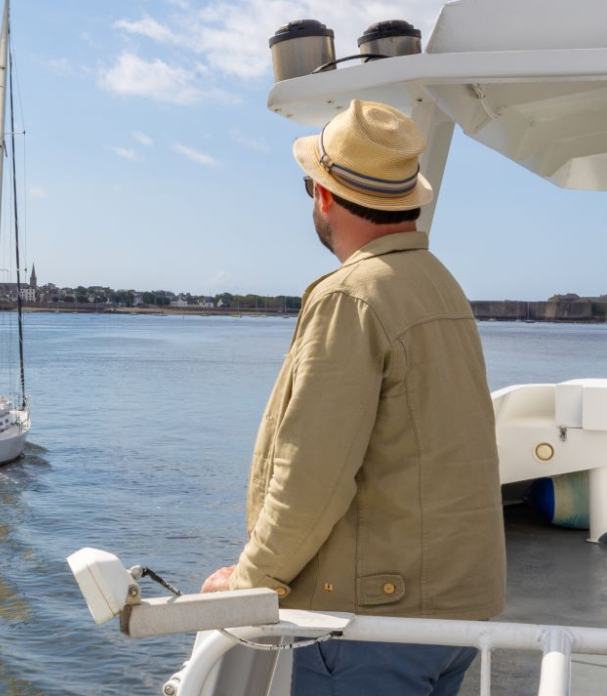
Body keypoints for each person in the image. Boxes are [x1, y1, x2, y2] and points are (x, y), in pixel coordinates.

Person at [198, 100, 505, 696]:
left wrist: (249, 584)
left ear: (324, 197)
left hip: (372, 627)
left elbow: (312, 477)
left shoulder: (351, 297)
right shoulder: (442, 286)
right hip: (457, 618)